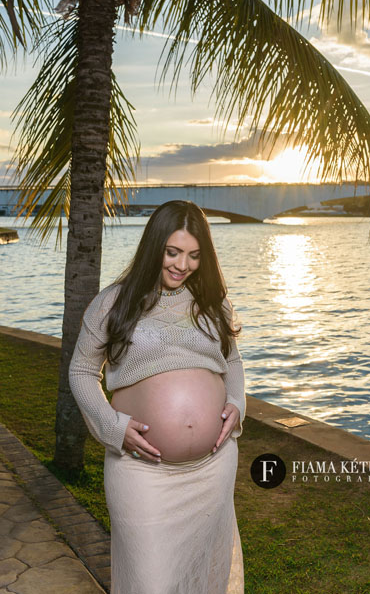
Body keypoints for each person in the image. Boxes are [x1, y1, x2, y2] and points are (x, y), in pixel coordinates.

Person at [68, 200, 246, 594]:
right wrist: (113, 427)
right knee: (149, 583)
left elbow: (231, 362)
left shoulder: (213, 304)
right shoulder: (112, 303)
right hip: (142, 474)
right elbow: (81, 372)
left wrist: (236, 402)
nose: (183, 265)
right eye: (173, 252)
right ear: (154, 247)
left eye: (194, 255)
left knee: (207, 578)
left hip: (212, 470)